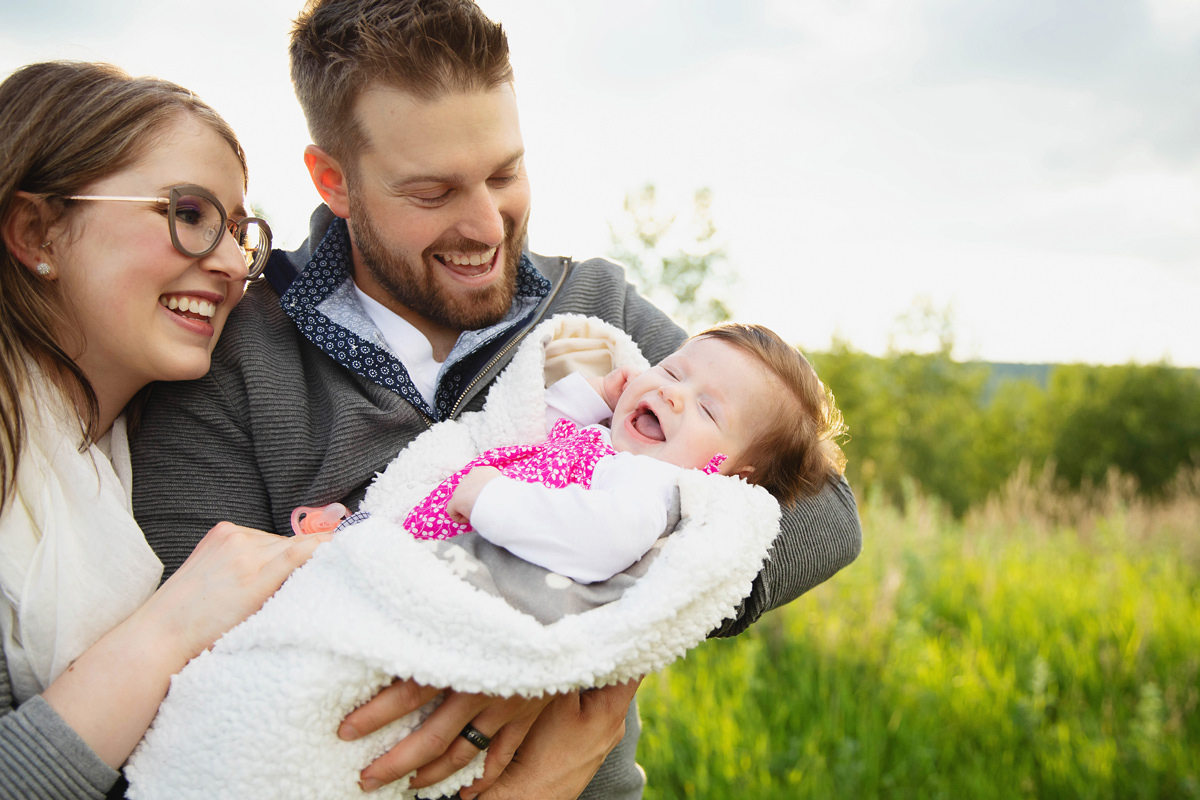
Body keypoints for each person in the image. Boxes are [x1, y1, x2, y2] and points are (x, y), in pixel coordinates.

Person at [129, 0, 864, 797]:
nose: (486, 227)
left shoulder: (584, 316)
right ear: (334, 180)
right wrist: (450, 656)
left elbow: (819, 510)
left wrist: (560, 625)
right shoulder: (237, 358)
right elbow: (189, 658)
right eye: (432, 191)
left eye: (505, 173)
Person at [0, 61, 331, 800]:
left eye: (241, 232)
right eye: (187, 215)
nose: (228, 265)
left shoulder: (132, 452)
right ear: (36, 231)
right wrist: (170, 626)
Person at [407, 322, 847, 585]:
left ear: (731, 474)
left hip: (444, 569)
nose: (672, 393)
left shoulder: (651, 487)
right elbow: (529, 441)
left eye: (708, 409)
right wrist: (597, 398)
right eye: (673, 371)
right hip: (411, 545)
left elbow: (603, 539)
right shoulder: (606, 450)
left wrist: (491, 499)